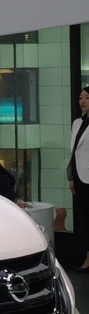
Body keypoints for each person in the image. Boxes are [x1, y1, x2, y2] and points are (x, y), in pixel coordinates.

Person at [67, 87, 89, 272]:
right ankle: (87, 258)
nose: (83, 101)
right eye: (81, 97)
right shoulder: (77, 122)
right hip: (80, 178)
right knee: (84, 220)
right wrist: (71, 177)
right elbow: (74, 153)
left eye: (87, 98)